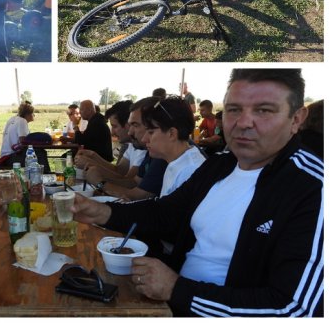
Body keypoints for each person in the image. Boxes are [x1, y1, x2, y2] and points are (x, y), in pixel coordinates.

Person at [71, 69, 323, 316]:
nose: (243, 123)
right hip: (171, 298)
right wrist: (101, 211)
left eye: (264, 110)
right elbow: (166, 212)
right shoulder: (221, 163)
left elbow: (293, 308)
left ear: (297, 119)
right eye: (234, 110)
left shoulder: (313, 188)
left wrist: (177, 289)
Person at [86, 97, 168, 201]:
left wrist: (100, 183)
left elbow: (137, 194)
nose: (130, 132)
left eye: (135, 125)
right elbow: (134, 182)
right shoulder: (150, 150)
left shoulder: (160, 154)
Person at [76, 100, 146, 187]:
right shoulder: (132, 145)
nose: (112, 132)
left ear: (128, 125)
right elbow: (119, 170)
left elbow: (128, 182)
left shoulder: (143, 148)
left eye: (115, 126)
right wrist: (92, 155)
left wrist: (99, 179)